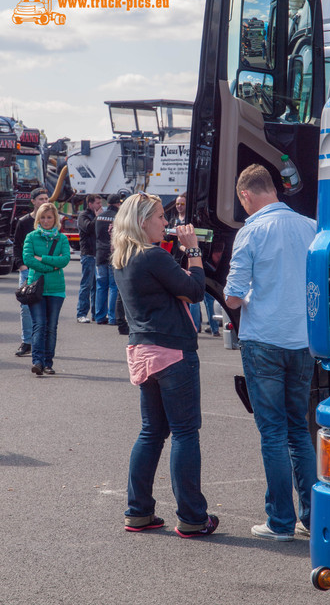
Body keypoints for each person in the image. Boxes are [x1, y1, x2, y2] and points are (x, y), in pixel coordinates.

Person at [112, 192, 218, 538]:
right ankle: (192, 517)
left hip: (143, 351)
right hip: (172, 351)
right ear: (143, 221)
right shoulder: (152, 255)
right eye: (159, 216)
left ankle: (138, 511)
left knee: (152, 432)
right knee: (185, 433)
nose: (166, 222)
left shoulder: (125, 257)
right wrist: (194, 250)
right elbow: (194, 289)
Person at [224, 164, 317, 541]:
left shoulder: (252, 231)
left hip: (263, 338)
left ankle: (279, 521)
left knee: (273, 433)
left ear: (246, 195)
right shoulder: (311, 227)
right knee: (300, 430)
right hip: (303, 340)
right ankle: (312, 519)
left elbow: (232, 294)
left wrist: (250, 297)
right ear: (274, 189)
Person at [22, 202, 70, 375]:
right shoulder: (31, 237)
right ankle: (37, 362)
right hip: (36, 288)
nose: (46, 220)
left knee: (51, 327)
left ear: (55, 218)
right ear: (38, 219)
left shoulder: (62, 239)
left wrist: (41, 259)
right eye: (42, 217)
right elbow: (28, 259)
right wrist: (52, 265)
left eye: (49, 217)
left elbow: (64, 260)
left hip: (57, 289)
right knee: (39, 325)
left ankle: (48, 362)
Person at [13, 187, 49, 357]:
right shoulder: (24, 221)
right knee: (25, 307)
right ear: (33, 201)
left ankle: (41, 343)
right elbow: (16, 246)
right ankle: (26, 341)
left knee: (46, 307)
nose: (44, 201)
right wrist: (21, 266)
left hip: (47, 271)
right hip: (28, 271)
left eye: (46, 198)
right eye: (41, 199)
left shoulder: (51, 222)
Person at [169, 193, 201, 331]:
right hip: (175, 258)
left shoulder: (190, 221)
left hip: (189, 258)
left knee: (193, 292)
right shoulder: (173, 220)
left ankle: (194, 325)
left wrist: (187, 249)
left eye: (182, 204)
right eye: (177, 204)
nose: (179, 206)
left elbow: (194, 242)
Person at [76, 193, 103, 323]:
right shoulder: (83, 216)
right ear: (90, 204)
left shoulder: (96, 216)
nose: (100, 205)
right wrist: (97, 218)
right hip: (88, 254)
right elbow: (88, 228)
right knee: (86, 285)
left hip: (98, 255)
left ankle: (95, 313)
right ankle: (81, 313)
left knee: (97, 286)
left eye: (100, 203)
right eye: (97, 203)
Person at [95, 193, 120, 325]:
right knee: (114, 286)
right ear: (117, 204)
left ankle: (99, 317)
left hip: (100, 255)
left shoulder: (99, 217)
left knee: (101, 286)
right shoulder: (118, 217)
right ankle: (112, 318)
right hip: (113, 255)